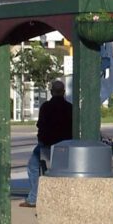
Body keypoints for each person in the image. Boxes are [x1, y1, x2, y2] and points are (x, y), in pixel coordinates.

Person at [21, 79, 73, 208]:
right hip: (66, 145)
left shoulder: (46, 107)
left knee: (33, 166)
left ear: (51, 92)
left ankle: (34, 198)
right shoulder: (70, 107)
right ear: (64, 92)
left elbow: (41, 125)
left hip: (47, 144)